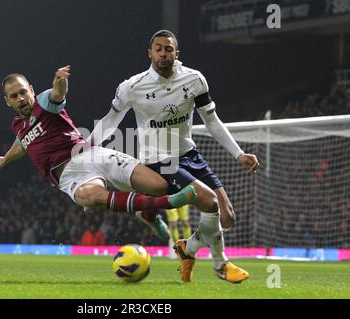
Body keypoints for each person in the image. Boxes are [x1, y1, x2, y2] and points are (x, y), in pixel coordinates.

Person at [86, 30, 259, 283]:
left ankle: (187, 249)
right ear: (150, 53)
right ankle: (220, 264)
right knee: (209, 202)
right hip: (159, 160)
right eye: (158, 48)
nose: (163, 53)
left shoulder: (195, 79)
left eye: (168, 48)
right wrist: (85, 147)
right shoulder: (132, 86)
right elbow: (110, 121)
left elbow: (212, 122)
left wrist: (238, 153)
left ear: (176, 53)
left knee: (227, 217)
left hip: (189, 154)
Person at [0, 66, 197, 242]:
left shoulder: (44, 102)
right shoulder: (18, 126)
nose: (21, 98)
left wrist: (60, 83)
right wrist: (4, 160)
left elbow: (57, 94)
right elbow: (21, 144)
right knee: (90, 197)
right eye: (14, 96)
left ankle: (148, 213)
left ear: (31, 90)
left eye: (23, 92)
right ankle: (166, 204)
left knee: (158, 186)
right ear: (8, 101)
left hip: (89, 153)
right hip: (71, 175)